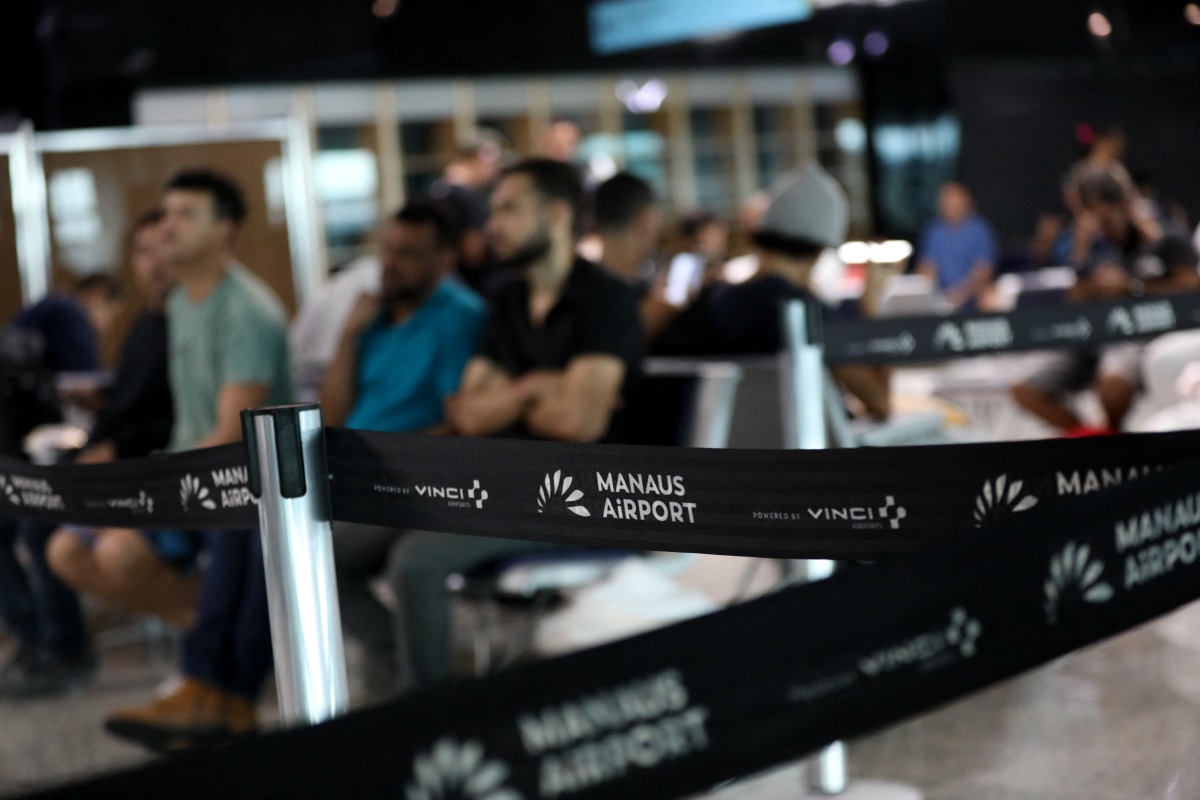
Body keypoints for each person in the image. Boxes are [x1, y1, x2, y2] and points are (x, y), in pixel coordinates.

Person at [388, 158, 643, 691]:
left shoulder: (607, 299)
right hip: (494, 475)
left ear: (555, 214)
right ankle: (422, 674)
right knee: (332, 543)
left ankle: (426, 723)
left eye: (508, 209)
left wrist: (508, 392)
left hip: (570, 491)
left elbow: (578, 421)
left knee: (415, 563)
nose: (491, 224)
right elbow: (468, 414)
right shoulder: (504, 299)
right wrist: (535, 387)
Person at [104, 169, 291, 752]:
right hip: (199, 478)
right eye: (165, 213)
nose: (167, 227)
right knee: (85, 545)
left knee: (238, 533)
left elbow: (232, 438)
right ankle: (207, 683)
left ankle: (217, 691)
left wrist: (154, 484)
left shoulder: (246, 311)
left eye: (186, 213)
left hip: (256, 482)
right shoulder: (182, 302)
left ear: (224, 230)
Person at [322, 198, 486, 698]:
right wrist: (348, 335)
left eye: (409, 253)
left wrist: (382, 463)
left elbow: (460, 423)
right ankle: (394, 651)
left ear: (444, 260)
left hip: (409, 477)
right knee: (283, 551)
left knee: (313, 556)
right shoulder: (375, 319)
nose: (390, 264)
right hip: (356, 473)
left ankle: (408, 674)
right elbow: (330, 416)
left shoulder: (459, 317)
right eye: (387, 250)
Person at [47, 211, 197, 630]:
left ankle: (207, 644)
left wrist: (107, 455)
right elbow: (131, 404)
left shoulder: (190, 323)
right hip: (125, 467)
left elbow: (164, 419)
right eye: (141, 251)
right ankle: (198, 633)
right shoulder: (144, 325)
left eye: (160, 249)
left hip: (161, 476)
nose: (151, 263)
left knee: (107, 550)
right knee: (61, 548)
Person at [653, 164, 890, 420]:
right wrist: (871, 306)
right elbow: (880, 401)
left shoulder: (710, 301)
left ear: (760, 237)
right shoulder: (806, 314)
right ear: (820, 252)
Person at [1012, 173, 1164, 435]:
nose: (1103, 225)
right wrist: (1084, 254)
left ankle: (1113, 439)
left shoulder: (1150, 233)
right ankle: (1091, 438)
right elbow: (1074, 298)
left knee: (1112, 387)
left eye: (1106, 216)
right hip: (1088, 332)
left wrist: (1129, 286)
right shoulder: (1090, 241)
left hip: (1131, 330)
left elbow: (1181, 282)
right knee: (1023, 389)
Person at [916, 181, 998, 311]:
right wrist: (934, 294)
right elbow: (926, 267)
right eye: (946, 203)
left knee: (991, 299)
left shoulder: (979, 229)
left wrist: (960, 295)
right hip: (940, 294)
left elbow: (984, 271)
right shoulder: (933, 231)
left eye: (955, 204)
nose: (950, 207)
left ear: (966, 203)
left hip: (973, 293)